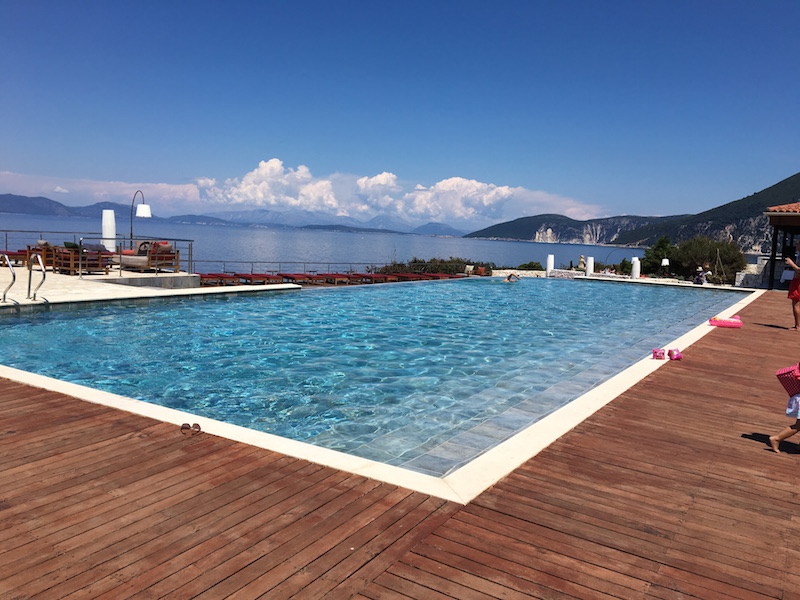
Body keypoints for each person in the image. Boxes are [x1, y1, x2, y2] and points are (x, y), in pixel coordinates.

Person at [785, 240, 800, 330]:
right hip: (796, 280)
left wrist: (791, 264)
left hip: (798, 282)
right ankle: (797, 325)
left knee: (796, 304)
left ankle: (798, 326)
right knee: (795, 303)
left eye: (798, 244)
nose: (796, 245)